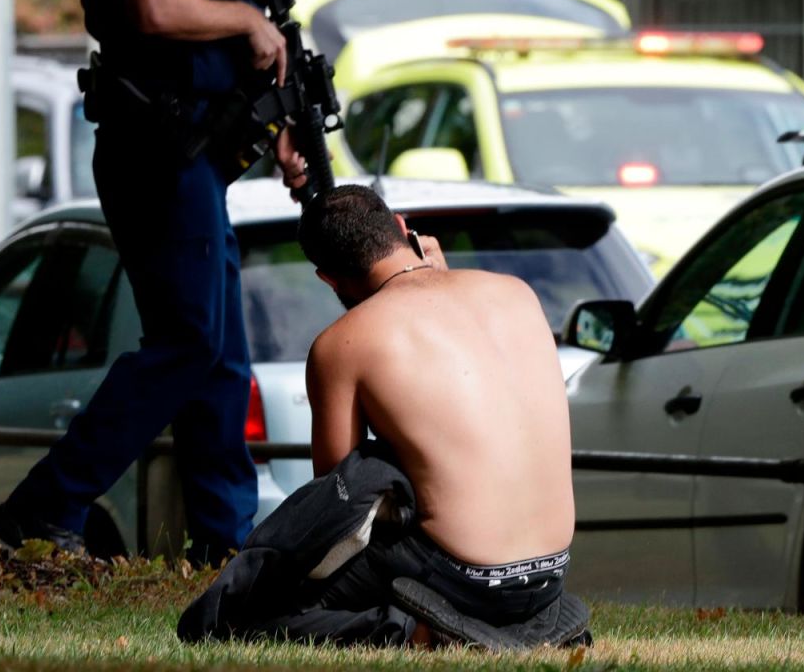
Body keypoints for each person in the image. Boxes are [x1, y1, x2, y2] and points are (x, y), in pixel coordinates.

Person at [0, 0, 309, 563]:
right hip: (158, 148)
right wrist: (244, 20)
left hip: (194, 157)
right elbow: (154, 4)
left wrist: (284, 115)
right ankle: (48, 502)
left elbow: (269, 34)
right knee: (188, 343)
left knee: (220, 357)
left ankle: (225, 545)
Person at [177, 185, 587, 649]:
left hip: (463, 578)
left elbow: (338, 499)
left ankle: (418, 634)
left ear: (328, 279)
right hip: (550, 575)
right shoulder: (516, 293)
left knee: (247, 618)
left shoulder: (343, 343)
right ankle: (514, 627)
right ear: (401, 228)